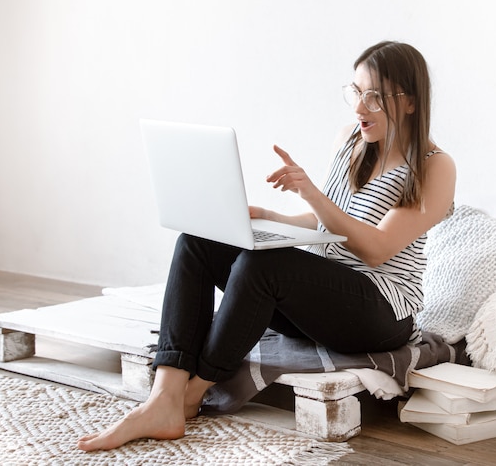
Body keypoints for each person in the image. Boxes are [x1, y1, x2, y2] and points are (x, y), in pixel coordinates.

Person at [77, 40, 456, 451]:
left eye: (374, 97)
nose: (359, 108)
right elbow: (327, 221)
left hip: (381, 313)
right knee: (197, 241)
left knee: (264, 269)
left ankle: (195, 391)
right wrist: (269, 220)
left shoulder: (434, 166)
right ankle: (165, 395)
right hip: (326, 303)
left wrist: (309, 191)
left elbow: (377, 248)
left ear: (412, 103)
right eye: (356, 92)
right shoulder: (352, 139)